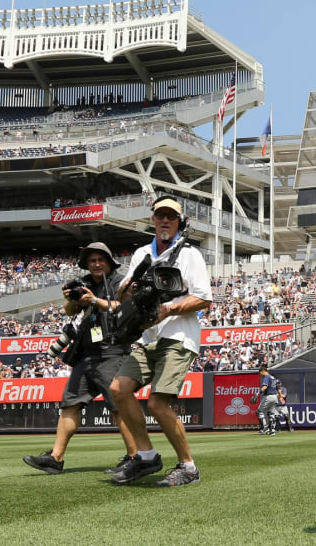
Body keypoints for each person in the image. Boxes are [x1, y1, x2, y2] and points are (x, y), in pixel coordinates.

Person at [109, 196, 212, 487]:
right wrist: (127, 290)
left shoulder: (190, 253)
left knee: (157, 403)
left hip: (178, 334)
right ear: (153, 219)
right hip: (147, 336)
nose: (165, 221)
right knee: (119, 388)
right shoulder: (143, 252)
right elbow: (123, 293)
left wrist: (170, 307)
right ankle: (146, 455)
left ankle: (188, 466)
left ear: (180, 222)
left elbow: (204, 298)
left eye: (171, 216)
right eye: (160, 216)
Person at [23, 242, 136, 475]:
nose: (96, 264)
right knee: (70, 403)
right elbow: (69, 312)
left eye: (100, 259)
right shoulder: (83, 283)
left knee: (118, 406)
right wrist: (72, 299)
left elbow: (124, 307)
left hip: (112, 351)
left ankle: (135, 456)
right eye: (92, 260)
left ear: (109, 262)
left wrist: (94, 300)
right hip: (86, 352)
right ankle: (56, 458)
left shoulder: (119, 282)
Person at [256, 366, 279, 435]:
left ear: (263, 371)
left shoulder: (267, 377)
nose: (260, 375)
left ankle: (264, 429)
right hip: (275, 396)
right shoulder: (273, 377)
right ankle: (272, 430)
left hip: (268, 396)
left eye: (260, 373)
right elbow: (277, 388)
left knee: (259, 411)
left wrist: (257, 393)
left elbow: (265, 387)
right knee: (272, 413)